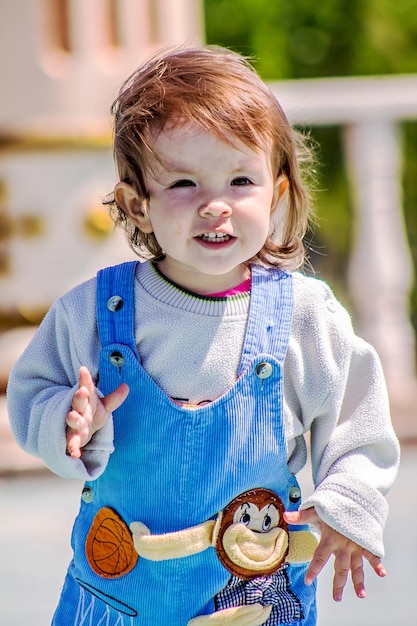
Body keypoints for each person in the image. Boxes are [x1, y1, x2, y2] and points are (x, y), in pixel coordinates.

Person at [7, 45, 400, 626]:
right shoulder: (94, 313)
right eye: (185, 183)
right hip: (119, 600)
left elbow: (357, 423)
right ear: (136, 205)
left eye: (240, 180)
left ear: (278, 194)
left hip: (257, 599)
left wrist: (349, 505)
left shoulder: (304, 316)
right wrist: (66, 421)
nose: (215, 206)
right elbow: (30, 395)